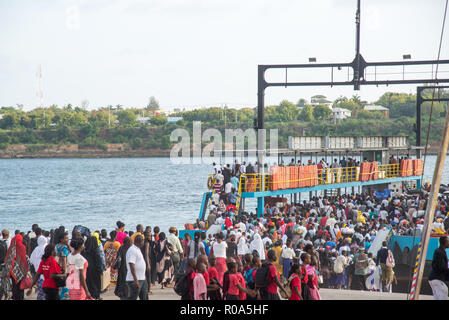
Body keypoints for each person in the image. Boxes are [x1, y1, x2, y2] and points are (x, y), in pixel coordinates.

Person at [3, 234, 29, 300]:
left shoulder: (11, 247)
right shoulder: (22, 247)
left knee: (14, 286)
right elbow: (23, 259)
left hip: (12, 271)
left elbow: (8, 258)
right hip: (21, 270)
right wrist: (25, 269)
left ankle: (15, 297)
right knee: (20, 286)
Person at [125, 235, 148, 300]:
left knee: (144, 297)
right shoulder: (132, 250)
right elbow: (131, 264)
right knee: (133, 297)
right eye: (143, 240)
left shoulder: (137, 249)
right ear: (139, 241)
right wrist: (135, 279)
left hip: (142, 278)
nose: (144, 242)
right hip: (134, 279)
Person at [428, 236, 449, 300]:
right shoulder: (440, 252)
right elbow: (441, 267)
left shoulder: (439, 251)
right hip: (437, 278)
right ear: (444, 243)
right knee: (443, 294)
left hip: (434, 278)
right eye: (448, 241)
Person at [29, 235, 48, 300]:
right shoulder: (47, 248)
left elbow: (31, 260)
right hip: (47, 273)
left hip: (38, 273)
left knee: (40, 291)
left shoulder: (36, 249)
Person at [55, 231, 70, 300]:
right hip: (63, 269)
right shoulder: (64, 248)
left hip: (56, 268)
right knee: (65, 286)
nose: (67, 239)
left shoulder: (56, 246)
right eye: (66, 238)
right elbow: (64, 260)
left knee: (59, 286)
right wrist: (64, 272)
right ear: (61, 239)